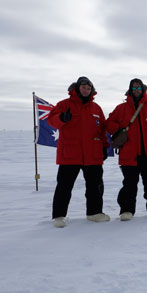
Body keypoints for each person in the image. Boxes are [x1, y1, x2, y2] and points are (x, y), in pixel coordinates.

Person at [47, 76, 111, 228]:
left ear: (92, 91)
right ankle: (59, 216)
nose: (86, 90)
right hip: (70, 154)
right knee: (64, 186)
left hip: (92, 154)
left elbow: (102, 130)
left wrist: (104, 146)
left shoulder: (96, 108)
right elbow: (51, 120)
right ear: (77, 88)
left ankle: (94, 213)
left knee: (95, 185)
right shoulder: (64, 104)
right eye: (83, 87)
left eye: (88, 88)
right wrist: (62, 118)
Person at [106, 78, 147, 221]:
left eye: (138, 88)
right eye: (134, 88)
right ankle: (126, 210)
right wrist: (118, 130)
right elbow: (109, 122)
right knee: (129, 184)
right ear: (130, 90)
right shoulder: (121, 109)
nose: (136, 91)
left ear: (143, 90)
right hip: (129, 154)